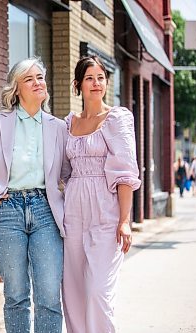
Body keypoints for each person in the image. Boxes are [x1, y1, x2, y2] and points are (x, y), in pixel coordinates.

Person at [0, 57, 70, 333]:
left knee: (48, 292)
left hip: (45, 210)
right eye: (29, 78)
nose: (38, 82)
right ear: (16, 88)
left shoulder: (58, 127)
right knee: (17, 293)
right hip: (6, 210)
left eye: (40, 77)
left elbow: (68, 174)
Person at [62, 55, 141, 333]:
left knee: (98, 293)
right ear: (78, 85)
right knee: (73, 293)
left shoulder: (117, 119)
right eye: (89, 78)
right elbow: (61, 171)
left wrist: (124, 219)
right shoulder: (68, 123)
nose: (96, 83)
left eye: (101, 78)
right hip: (73, 213)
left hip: (105, 212)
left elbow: (125, 173)